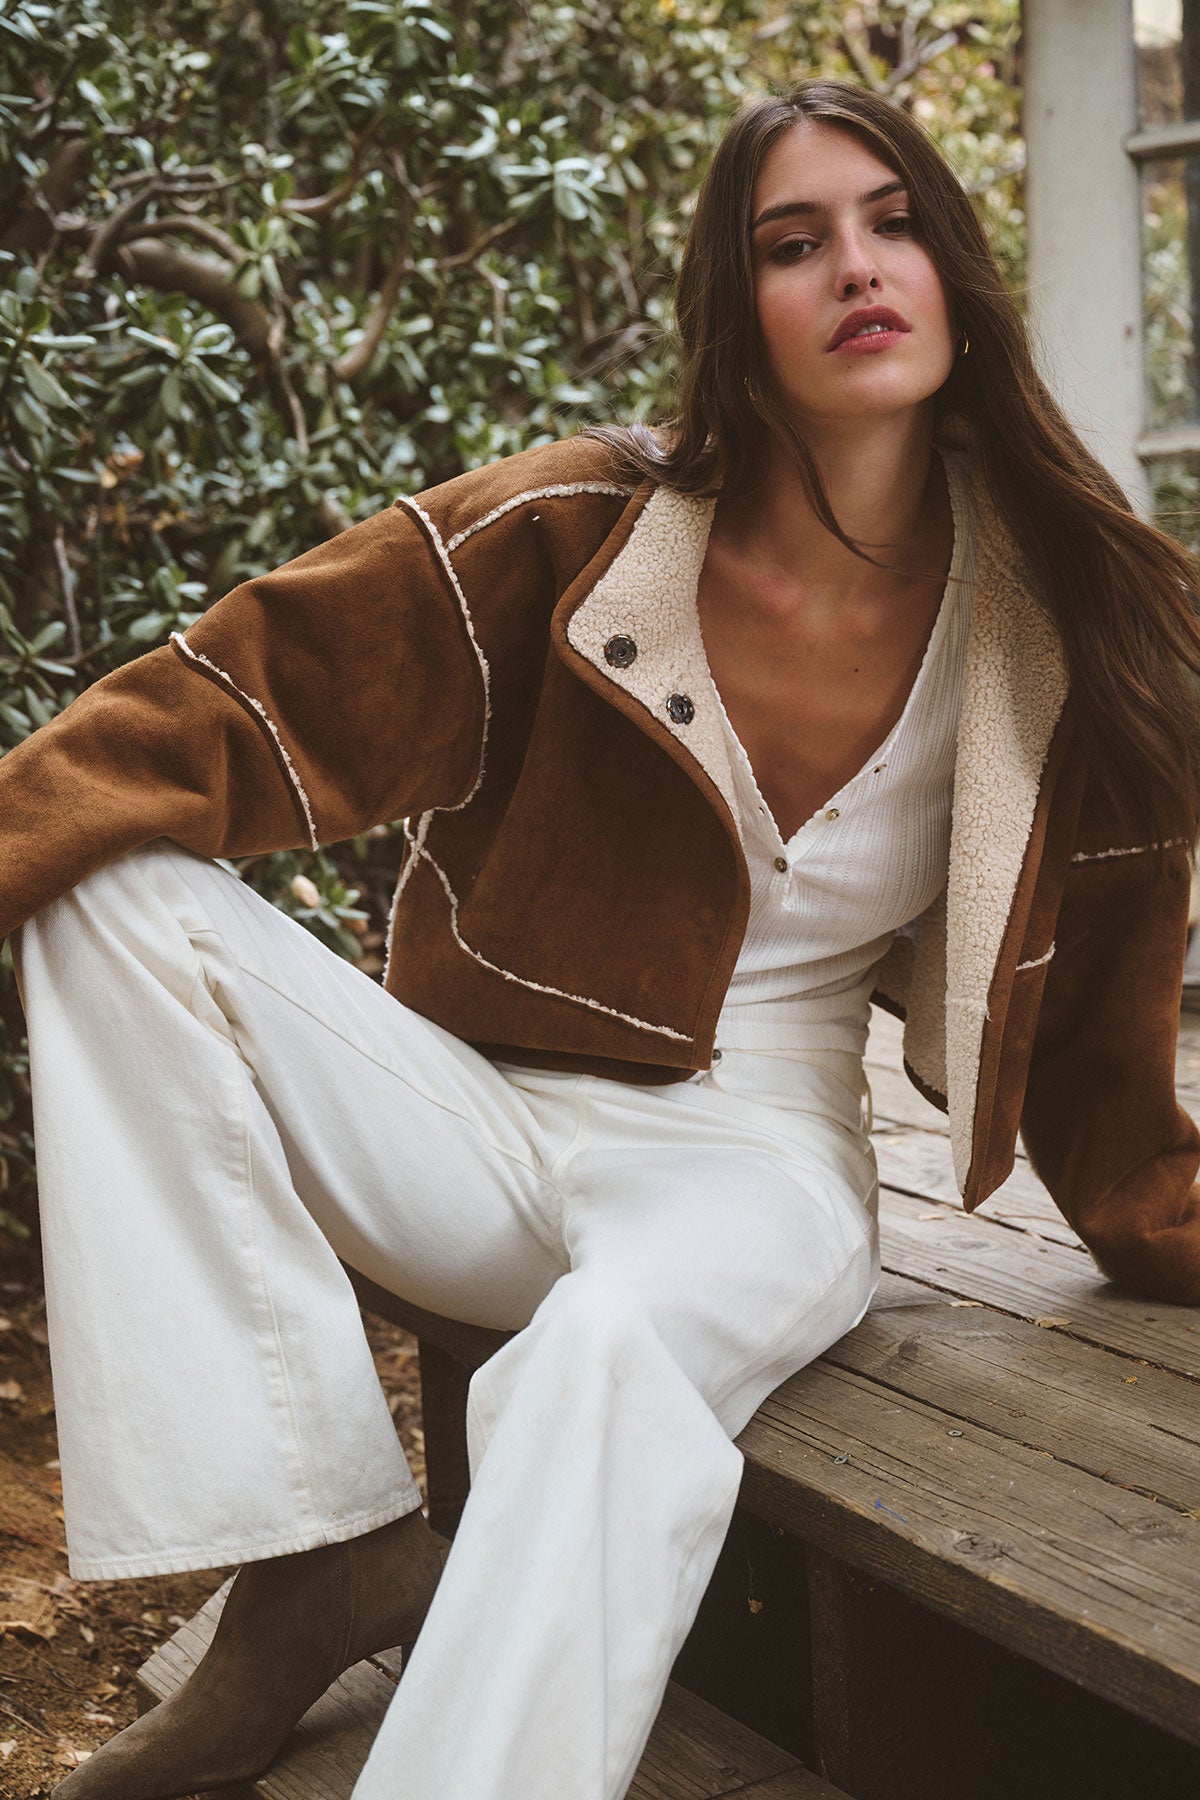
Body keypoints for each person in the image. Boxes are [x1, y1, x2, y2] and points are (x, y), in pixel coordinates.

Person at [8, 74, 1200, 1800]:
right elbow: (233, 700)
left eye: (893, 222)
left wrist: (1160, 1212)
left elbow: (1103, 1024)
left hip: (754, 1159)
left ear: (955, 271)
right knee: (106, 877)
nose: (857, 268)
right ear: (742, 310)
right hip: (474, 1112)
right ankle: (310, 1539)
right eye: (796, 243)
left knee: (602, 1366)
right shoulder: (575, 535)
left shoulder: (1068, 614)